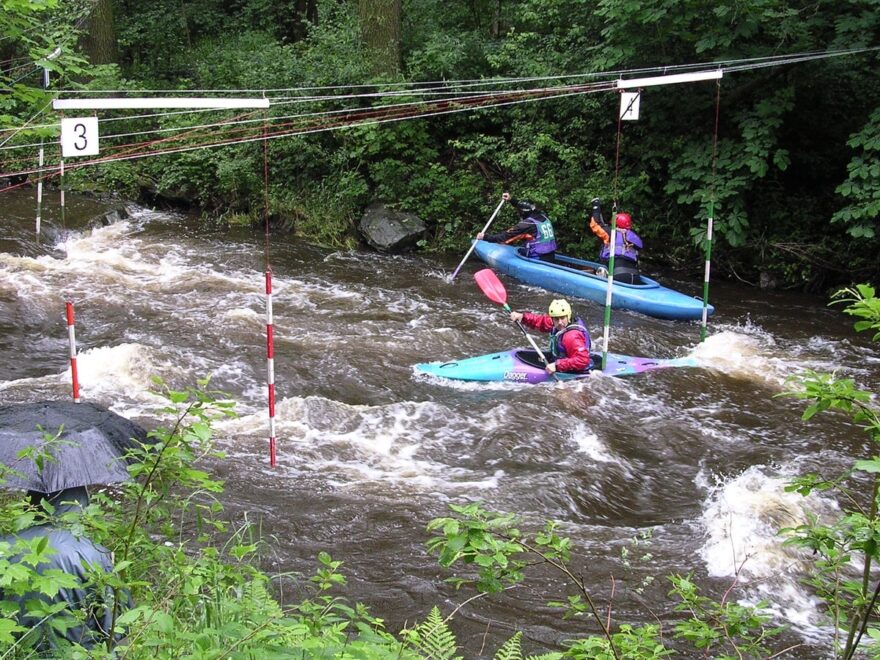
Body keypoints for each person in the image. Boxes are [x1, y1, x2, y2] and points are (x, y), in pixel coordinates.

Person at [0, 487, 130, 651]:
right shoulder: (95, 554)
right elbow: (116, 627)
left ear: (31, 501)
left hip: (12, 650)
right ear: (80, 505)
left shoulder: (5, 546)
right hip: (76, 653)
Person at [509, 298, 593, 375]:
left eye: (562, 318)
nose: (560, 322)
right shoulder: (557, 324)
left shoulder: (571, 336)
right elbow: (541, 321)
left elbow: (583, 360)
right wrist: (523, 317)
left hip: (577, 371)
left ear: (568, 316)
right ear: (552, 318)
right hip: (564, 362)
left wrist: (556, 365)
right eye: (556, 319)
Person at [477, 191, 557, 262]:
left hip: (537, 258)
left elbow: (504, 237)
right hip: (551, 255)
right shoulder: (543, 215)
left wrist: (485, 237)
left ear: (522, 213)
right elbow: (526, 207)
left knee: (520, 247)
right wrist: (511, 200)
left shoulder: (526, 224)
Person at [587, 197, 643, 284]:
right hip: (635, 278)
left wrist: (596, 206)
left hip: (618, 276)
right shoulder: (634, 237)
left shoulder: (612, 233)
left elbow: (595, 224)